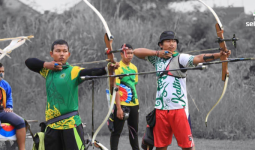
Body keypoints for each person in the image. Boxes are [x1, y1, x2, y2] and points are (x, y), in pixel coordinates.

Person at [133, 31, 231, 150]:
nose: (172, 44)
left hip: (178, 109)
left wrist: (219, 55)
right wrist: (158, 53)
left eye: (174, 41)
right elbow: (136, 52)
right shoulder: (156, 60)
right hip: (160, 109)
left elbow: (198, 58)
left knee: (187, 147)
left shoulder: (181, 58)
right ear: (161, 44)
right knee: (160, 147)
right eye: (168, 41)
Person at [25, 39, 119, 150]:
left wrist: (106, 69)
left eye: (64, 51)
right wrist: (47, 65)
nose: (61, 54)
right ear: (51, 54)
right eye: (58, 51)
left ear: (68, 54)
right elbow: (29, 62)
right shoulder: (47, 71)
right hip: (51, 126)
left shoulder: (73, 71)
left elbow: (90, 72)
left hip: (70, 125)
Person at [110, 44, 139, 150]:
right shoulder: (118, 67)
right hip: (121, 104)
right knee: (116, 132)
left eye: (132, 53)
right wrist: (118, 108)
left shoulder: (134, 68)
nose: (130, 55)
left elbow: (134, 85)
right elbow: (116, 88)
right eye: (128, 53)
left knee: (134, 131)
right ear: (122, 54)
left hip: (134, 104)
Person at [0, 63, 26, 150]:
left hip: (2, 111)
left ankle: (21, 148)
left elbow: (9, 97)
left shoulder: (5, 84)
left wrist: (9, 107)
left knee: (21, 122)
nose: (1, 74)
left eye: (3, 72)